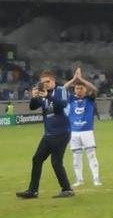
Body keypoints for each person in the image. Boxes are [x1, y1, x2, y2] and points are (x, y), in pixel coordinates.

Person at [15, 70, 74, 199]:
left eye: (48, 81)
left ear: (53, 81)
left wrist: (47, 96)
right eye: (43, 82)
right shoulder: (43, 94)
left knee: (56, 162)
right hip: (48, 134)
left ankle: (67, 189)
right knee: (37, 159)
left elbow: (61, 105)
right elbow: (32, 107)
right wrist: (34, 96)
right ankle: (33, 191)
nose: (45, 84)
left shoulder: (61, 90)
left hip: (61, 132)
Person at [63, 67, 102, 188]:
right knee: (76, 157)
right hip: (73, 132)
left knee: (91, 155)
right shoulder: (71, 99)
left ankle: (96, 179)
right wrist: (74, 79)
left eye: (81, 88)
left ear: (85, 90)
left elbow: (94, 89)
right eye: (77, 88)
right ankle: (79, 180)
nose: (78, 90)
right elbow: (63, 89)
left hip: (87, 132)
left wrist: (81, 79)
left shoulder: (89, 99)